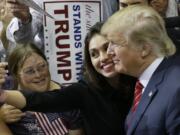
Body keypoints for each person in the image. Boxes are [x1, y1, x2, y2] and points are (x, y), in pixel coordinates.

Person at [0, 22, 136, 135]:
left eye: (106, 48)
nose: (103, 57)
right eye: (94, 54)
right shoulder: (83, 91)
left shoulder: (140, 81)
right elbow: (40, 99)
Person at [101, 4, 180, 135]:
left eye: (115, 43)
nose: (109, 52)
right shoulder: (145, 82)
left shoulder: (176, 88)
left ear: (144, 49)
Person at [0, 44, 83, 135]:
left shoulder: (67, 99)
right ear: (16, 75)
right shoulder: (6, 91)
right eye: (29, 71)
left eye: (42, 66)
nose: (38, 75)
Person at [6, 0, 119, 52]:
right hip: (58, 84)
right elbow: (23, 40)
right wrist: (25, 19)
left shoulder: (109, 2)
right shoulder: (41, 2)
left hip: (103, 78)